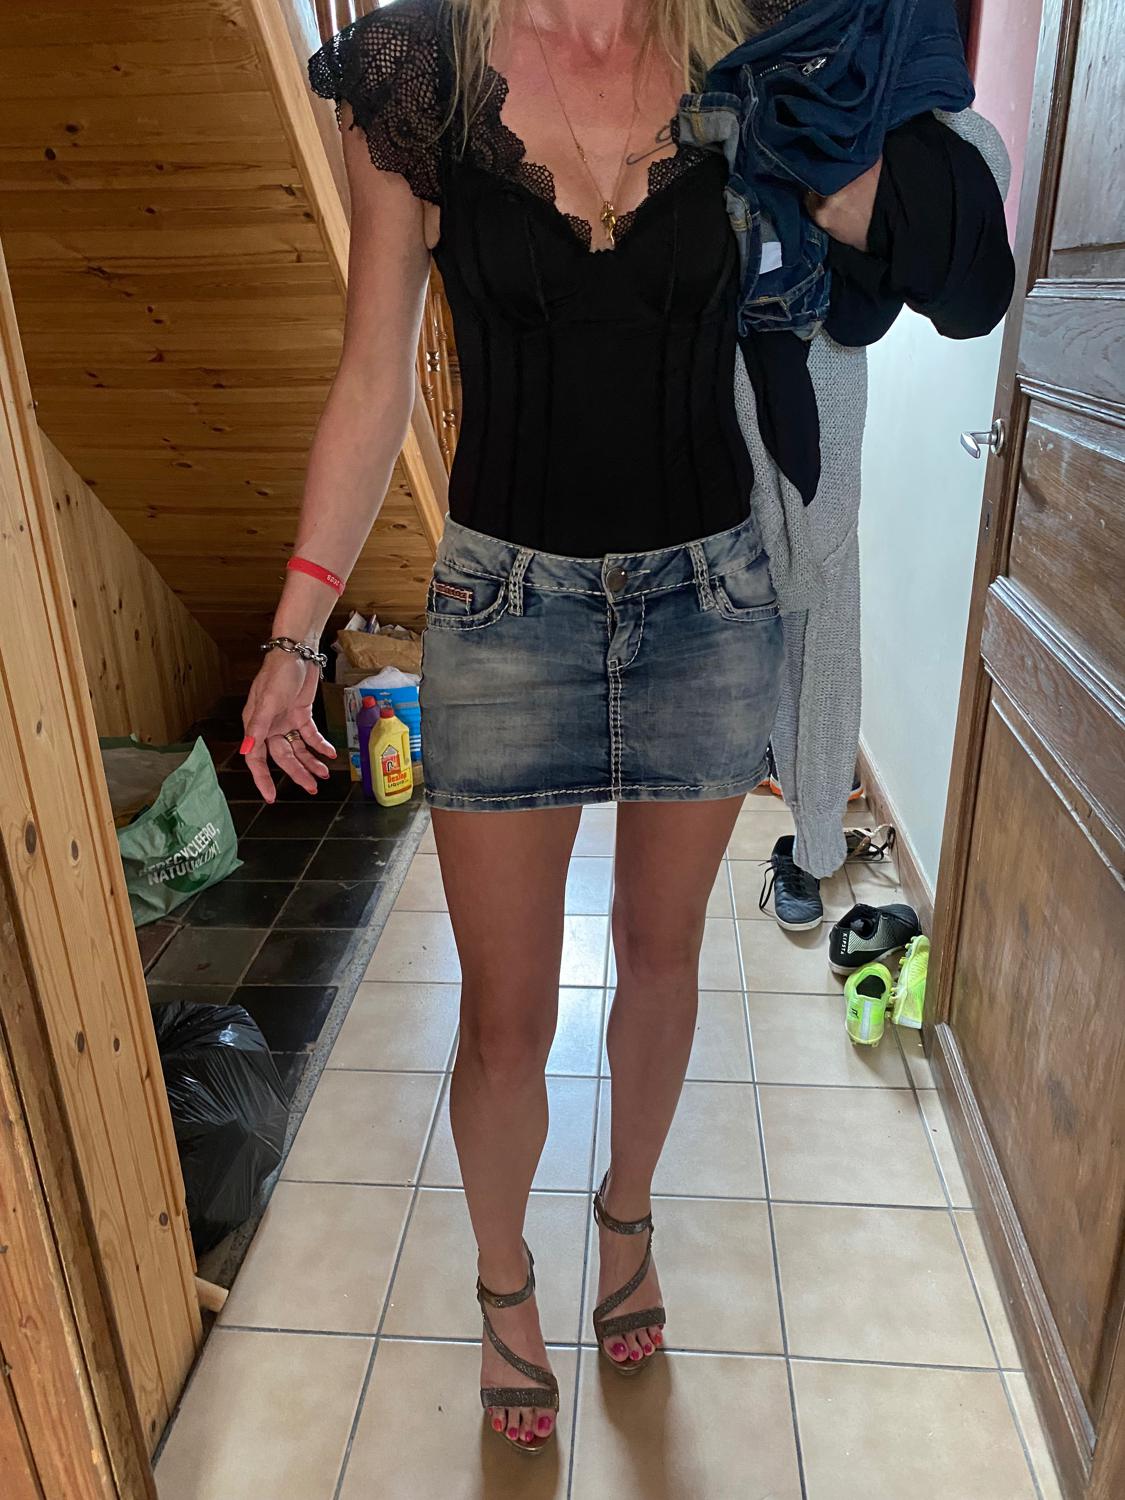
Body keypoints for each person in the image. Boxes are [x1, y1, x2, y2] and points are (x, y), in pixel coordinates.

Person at [238, 0, 1011, 1456]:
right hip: (500, 615)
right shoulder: (413, 71)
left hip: (709, 604)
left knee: (660, 964)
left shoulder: (751, 47)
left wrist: (845, 163)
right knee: (505, 1023)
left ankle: (626, 1218)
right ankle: (502, 1282)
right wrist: (296, 630)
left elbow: (943, 257)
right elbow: (372, 374)